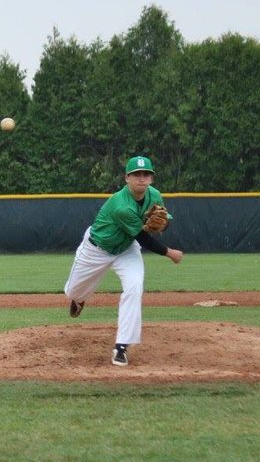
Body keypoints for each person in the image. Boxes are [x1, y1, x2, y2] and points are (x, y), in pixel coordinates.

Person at [63, 155, 184, 367]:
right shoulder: (121, 205)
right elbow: (143, 237)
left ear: (151, 179)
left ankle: (122, 345)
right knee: (73, 292)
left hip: (127, 249)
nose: (141, 178)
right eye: (136, 174)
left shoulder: (154, 195)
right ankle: (79, 298)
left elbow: (163, 223)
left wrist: (163, 226)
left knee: (134, 287)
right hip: (97, 249)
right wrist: (169, 253)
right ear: (127, 178)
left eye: (146, 174)